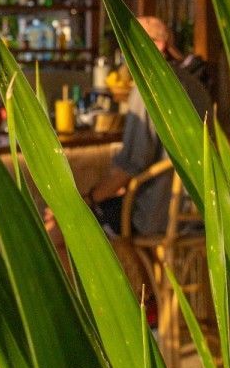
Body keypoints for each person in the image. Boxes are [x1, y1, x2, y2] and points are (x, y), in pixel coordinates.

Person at [82, 16, 212, 238]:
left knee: (68, 222)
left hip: (156, 213)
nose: (125, 53)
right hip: (201, 209)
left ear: (158, 45)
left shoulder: (149, 85)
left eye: (130, 43)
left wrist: (88, 199)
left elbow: (132, 165)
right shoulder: (194, 84)